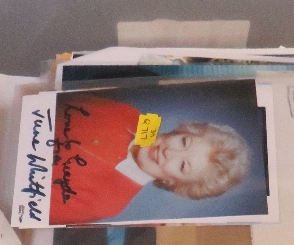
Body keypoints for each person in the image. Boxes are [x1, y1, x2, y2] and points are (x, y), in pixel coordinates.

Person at [48, 92, 251, 225]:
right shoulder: (129, 113)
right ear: (181, 131)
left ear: (172, 182)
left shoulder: (108, 203)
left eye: (182, 166)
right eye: (184, 142)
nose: (169, 153)